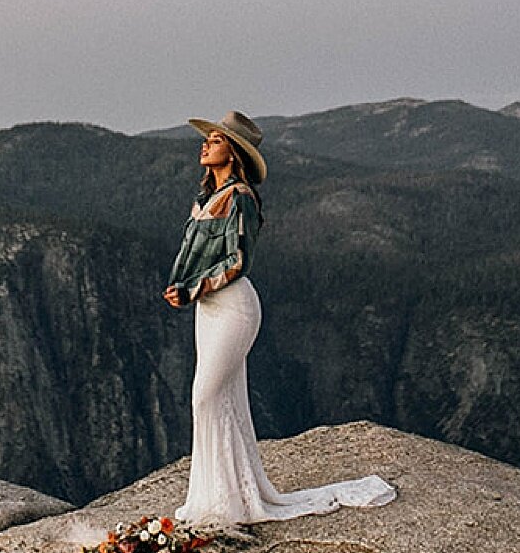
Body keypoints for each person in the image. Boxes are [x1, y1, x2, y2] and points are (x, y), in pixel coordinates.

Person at [164, 110, 397, 526]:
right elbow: (194, 254)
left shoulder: (240, 198)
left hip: (232, 304)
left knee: (204, 395)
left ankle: (228, 498)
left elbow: (238, 260)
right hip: (208, 308)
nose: (205, 145)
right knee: (224, 396)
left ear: (233, 154)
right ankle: (217, 497)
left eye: (215, 141)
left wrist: (192, 289)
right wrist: (182, 288)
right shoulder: (206, 199)